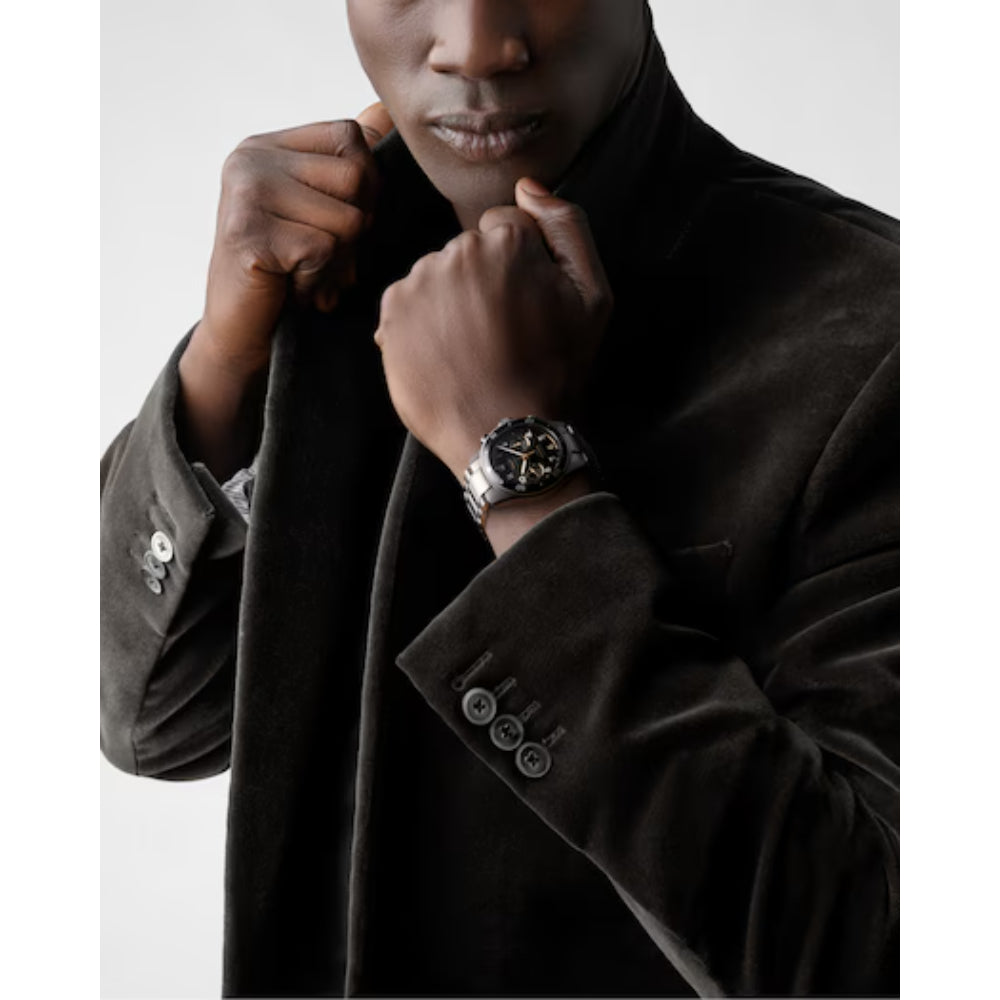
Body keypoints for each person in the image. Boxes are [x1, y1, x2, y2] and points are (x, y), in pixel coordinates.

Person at [101, 1, 899, 996]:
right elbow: (149, 724)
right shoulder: (326, 270)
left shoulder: (882, 337)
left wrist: (522, 477)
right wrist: (223, 367)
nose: (474, 46)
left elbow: (865, 959)